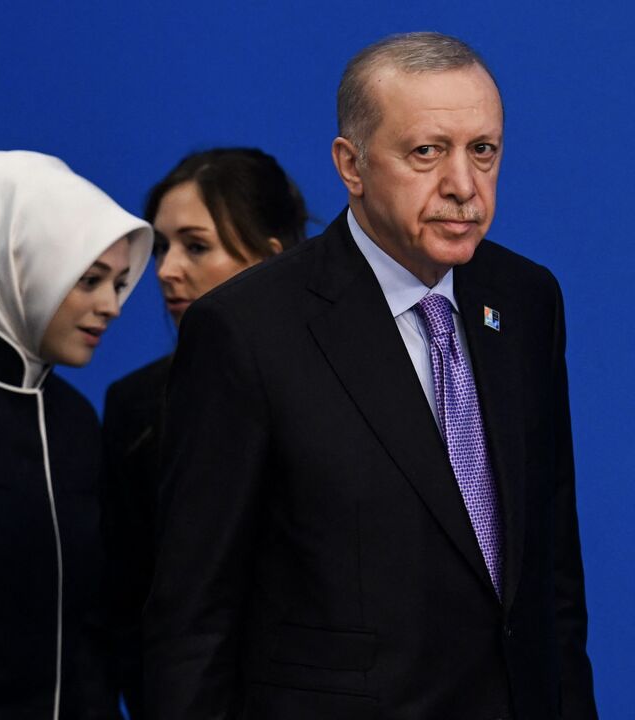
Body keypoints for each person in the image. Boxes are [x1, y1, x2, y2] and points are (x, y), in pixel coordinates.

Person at [144, 32, 597, 719]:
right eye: (426, 151)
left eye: (483, 150)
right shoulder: (247, 329)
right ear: (350, 166)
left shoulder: (528, 300)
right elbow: (192, 618)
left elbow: (551, 578)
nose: (463, 186)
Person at [0, 150, 153, 719]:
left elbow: (94, 628)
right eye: (89, 280)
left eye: (120, 282)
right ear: (16, 264)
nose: (111, 307)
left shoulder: (76, 420)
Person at [100, 148, 307, 718]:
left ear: (271, 257)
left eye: (195, 246)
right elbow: (127, 600)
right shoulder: (133, 404)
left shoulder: (354, 388)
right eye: (162, 247)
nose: (165, 270)